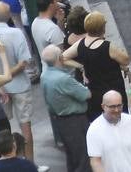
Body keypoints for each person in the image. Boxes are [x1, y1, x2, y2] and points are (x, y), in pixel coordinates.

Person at [0, 3, 37, 162]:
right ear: (9, 15)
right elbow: (24, 62)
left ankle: (4, 163)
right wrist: (8, 74)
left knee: (0, 129)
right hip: (20, 87)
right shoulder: (16, 33)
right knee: (26, 128)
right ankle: (30, 164)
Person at [65, 11, 131, 119]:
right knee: (119, 120)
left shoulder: (81, 44)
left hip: (95, 94)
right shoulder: (108, 46)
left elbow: (63, 58)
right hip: (114, 92)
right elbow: (126, 60)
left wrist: (81, 67)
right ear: (102, 28)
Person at [39, 44, 92, 172]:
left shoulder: (44, 76)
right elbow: (86, 94)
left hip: (60, 120)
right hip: (74, 121)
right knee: (82, 157)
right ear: (60, 58)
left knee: (72, 156)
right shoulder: (64, 79)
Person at [86, 90, 131, 172]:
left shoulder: (130, 120)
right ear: (103, 106)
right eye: (112, 106)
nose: (116, 110)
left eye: (119, 105)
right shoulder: (94, 129)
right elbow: (96, 161)